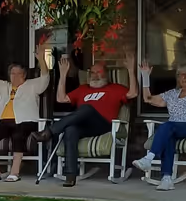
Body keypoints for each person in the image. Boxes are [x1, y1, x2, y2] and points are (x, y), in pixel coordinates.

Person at [38, 53, 134, 189]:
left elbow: (133, 93)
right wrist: (63, 74)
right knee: (70, 129)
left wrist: (131, 70)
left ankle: (49, 131)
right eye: (92, 72)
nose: (94, 75)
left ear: (105, 74)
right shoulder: (83, 89)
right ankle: (70, 175)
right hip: (84, 125)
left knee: (87, 108)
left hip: (103, 124)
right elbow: (61, 98)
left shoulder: (116, 88)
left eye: (98, 72)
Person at [0, 44, 50, 182]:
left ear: (24, 75)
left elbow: (45, 78)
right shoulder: (4, 86)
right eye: (12, 73)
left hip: (26, 121)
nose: (14, 76)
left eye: (18, 73)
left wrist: (42, 60)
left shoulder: (32, 85)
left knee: (18, 133)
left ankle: (15, 172)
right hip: (4, 123)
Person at [135, 53, 186, 189]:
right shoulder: (171, 94)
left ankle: (149, 158)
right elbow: (148, 99)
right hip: (174, 128)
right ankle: (167, 178)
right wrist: (145, 77)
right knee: (169, 136)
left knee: (168, 126)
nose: (183, 77)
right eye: (180, 75)